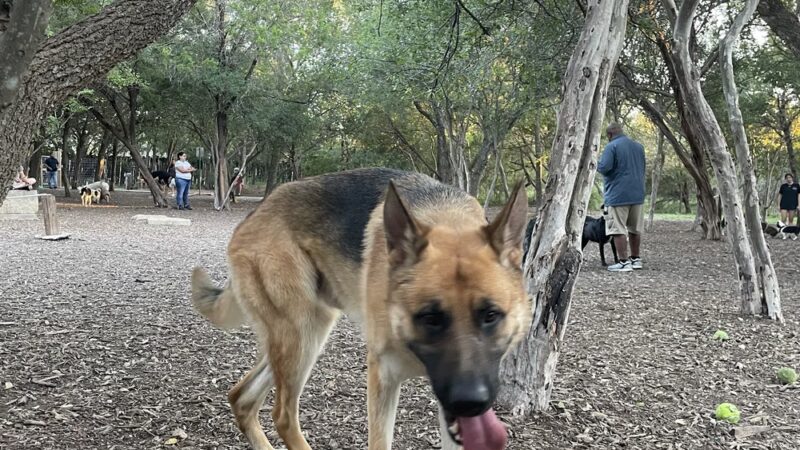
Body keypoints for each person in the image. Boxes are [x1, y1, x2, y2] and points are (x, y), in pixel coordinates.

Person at [597, 122, 646, 272]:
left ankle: (623, 262)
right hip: (637, 193)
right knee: (635, 228)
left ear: (609, 135)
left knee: (617, 228)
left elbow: (604, 168)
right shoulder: (639, 147)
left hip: (618, 195)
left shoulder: (611, 147)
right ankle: (636, 259)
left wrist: (596, 163)